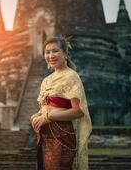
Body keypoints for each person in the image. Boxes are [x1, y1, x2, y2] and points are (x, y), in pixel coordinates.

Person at [31, 37, 92, 170]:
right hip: (45, 134)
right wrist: (37, 116)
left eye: (55, 51)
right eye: (47, 52)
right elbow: (45, 108)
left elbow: (79, 111)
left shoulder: (71, 76)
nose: (50, 55)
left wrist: (48, 117)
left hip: (62, 135)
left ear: (65, 53)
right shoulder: (46, 80)